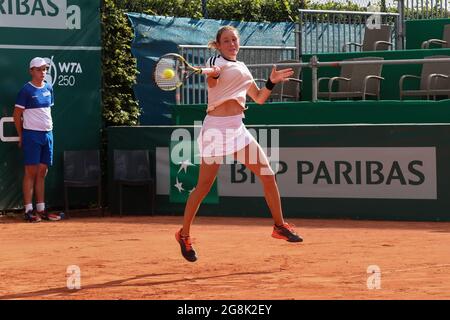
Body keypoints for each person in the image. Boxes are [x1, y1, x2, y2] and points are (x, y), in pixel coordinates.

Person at [175, 26, 303, 262]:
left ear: (238, 42)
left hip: (237, 128)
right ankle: (184, 235)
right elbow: (213, 80)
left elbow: (260, 98)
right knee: (203, 187)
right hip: (215, 130)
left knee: (267, 174)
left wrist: (271, 82)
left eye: (234, 39)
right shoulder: (215, 62)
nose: (231, 44)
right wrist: (212, 73)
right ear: (219, 44)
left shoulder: (243, 68)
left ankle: (279, 226)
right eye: (226, 41)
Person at [13, 57, 61, 222]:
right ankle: (28, 210)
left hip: (47, 134)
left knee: (42, 171)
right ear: (31, 71)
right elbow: (17, 115)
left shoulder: (49, 87)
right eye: (39, 69)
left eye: (45, 69)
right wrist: (21, 135)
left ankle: (41, 209)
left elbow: (47, 111)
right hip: (31, 135)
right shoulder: (26, 90)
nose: (43, 72)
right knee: (30, 172)